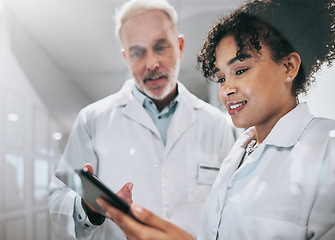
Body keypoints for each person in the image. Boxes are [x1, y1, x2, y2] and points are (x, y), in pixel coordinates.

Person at [96, 0, 335, 239]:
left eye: (241, 70)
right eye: (221, 77)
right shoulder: (237, 157)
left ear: (288, 67)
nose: (226, 89)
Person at [48, 0, 235, 239]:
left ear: (179, 46)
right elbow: (58, 199)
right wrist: (89, 208)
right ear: (126, 58)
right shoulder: (92, 120)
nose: (152, 64)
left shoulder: (215, 123)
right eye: (138, 52)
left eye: (160, 47)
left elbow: (230, 206)